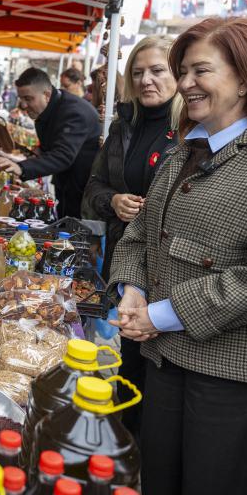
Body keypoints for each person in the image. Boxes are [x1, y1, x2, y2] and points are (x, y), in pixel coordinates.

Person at [108, 18, 247, 495]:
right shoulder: (188, 149)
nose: (184, 83)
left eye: (199, 70)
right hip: (165, 363)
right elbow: (142, 233)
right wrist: (132, 288)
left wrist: (159, 314)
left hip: (232, 380)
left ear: (246, 77)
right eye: (182, 71)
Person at [82, 35, 179, 436]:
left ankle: (149, 449)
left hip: (172, 268)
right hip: (127, 261)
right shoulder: (123, 127)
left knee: (164, 369)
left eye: (157, 70)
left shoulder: (190, 129)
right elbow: (93, 189)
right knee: (132, 360)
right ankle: (128, 445)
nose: (146, 80)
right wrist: (114, 200)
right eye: (137, 73)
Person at [0, 68, 101, 219]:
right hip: (66, 183)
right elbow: (50, 148)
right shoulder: (51, 108)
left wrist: (22, 168)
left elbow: (62, 156)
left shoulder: (74, 111)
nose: (23, 105)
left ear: (46, 95)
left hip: (83, 189)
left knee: (73, 233)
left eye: (28, 99)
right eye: (21, 99)